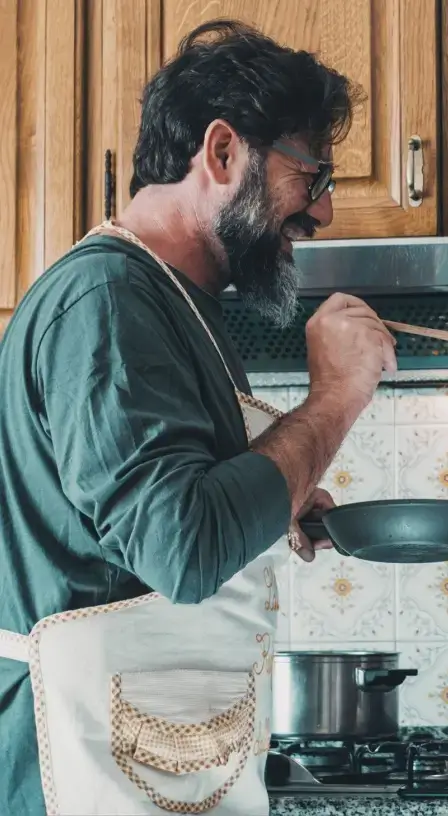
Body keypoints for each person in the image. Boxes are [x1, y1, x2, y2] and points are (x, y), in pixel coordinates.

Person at [0, 20, 396, 816]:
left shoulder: (178, 305)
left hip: (151, 758)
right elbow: (182, 547)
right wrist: (337, 398)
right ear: (223, 153)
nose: (323, 213)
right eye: (312, 176)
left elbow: (162, 520)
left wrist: (273, 502)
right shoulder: (107, 300)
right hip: (74, 771)